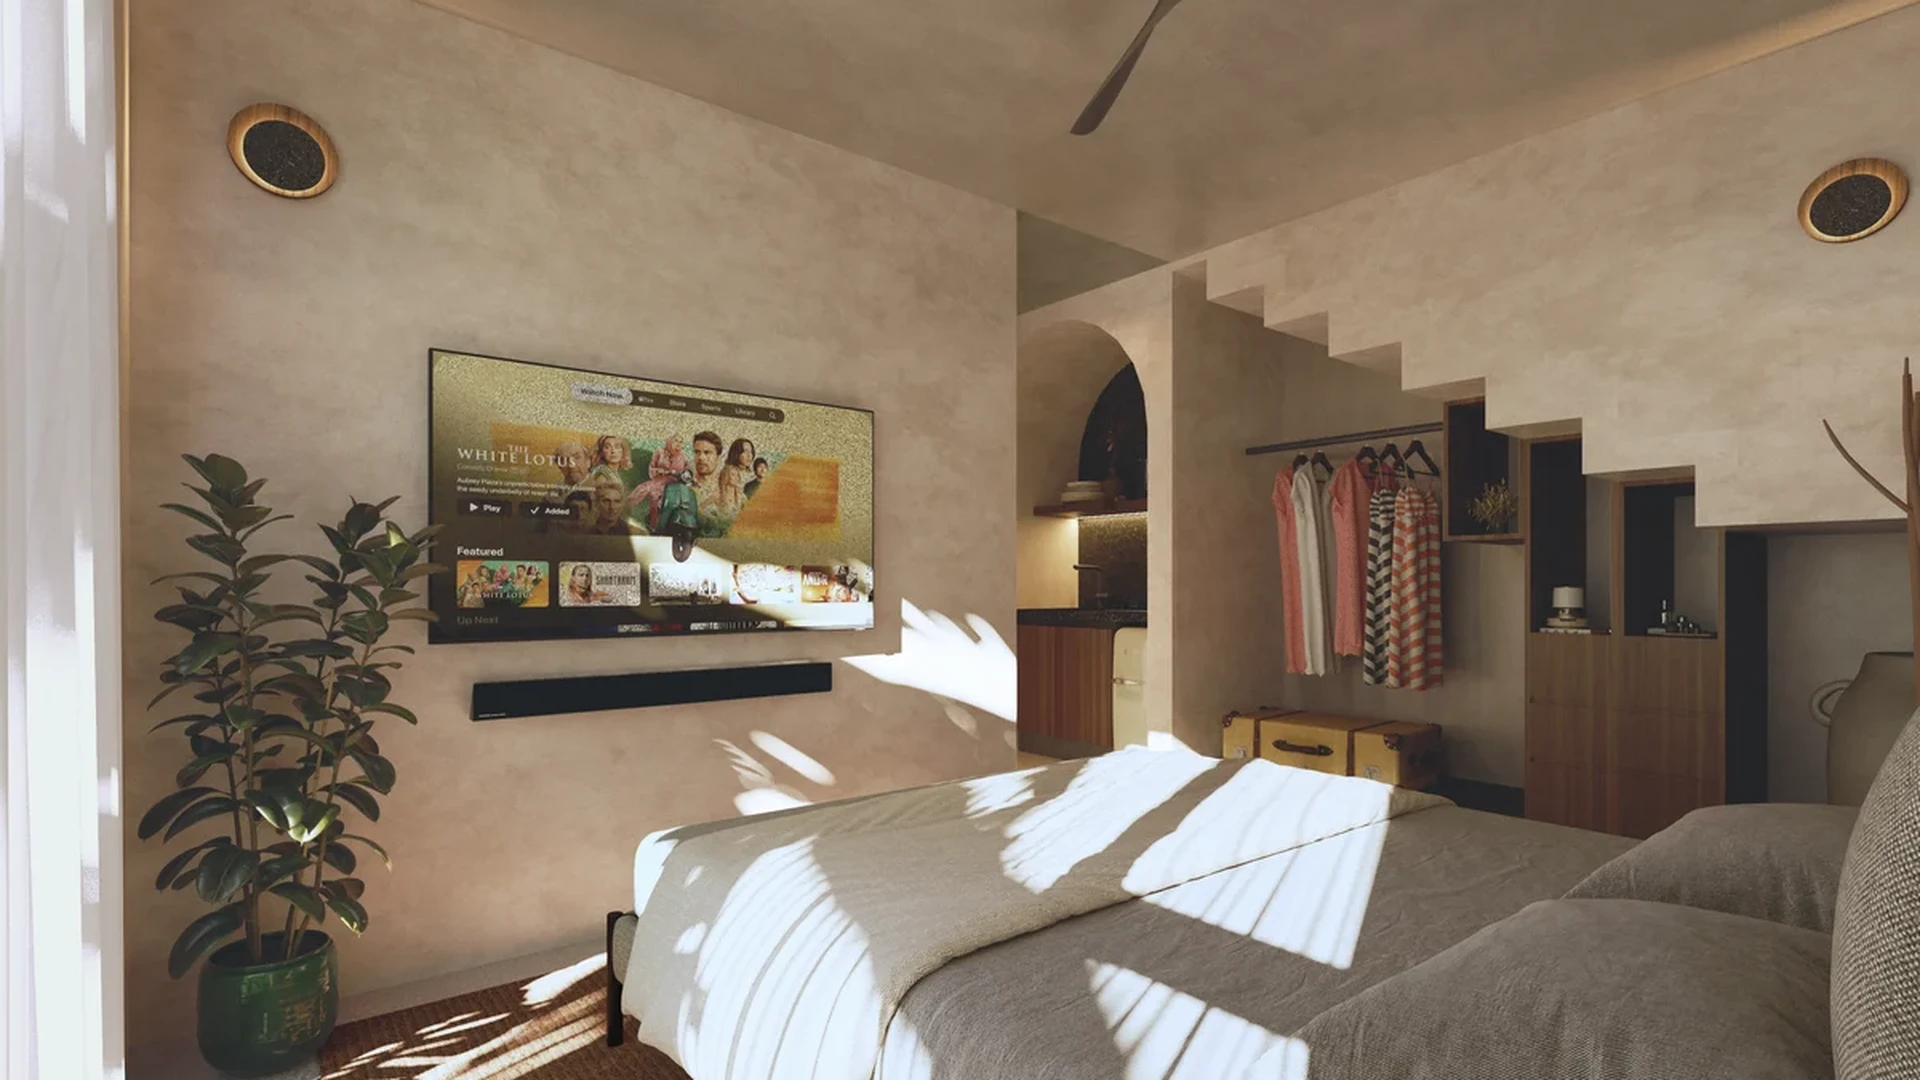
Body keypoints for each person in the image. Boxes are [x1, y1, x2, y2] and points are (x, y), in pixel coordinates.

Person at [627, 433, 690, 531]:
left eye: (681, 442)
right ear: (669, 441)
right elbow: (651, 469)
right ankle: (625, 513)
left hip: (673, 484)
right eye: (676, 440)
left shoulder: (684, 457)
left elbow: (687, 474)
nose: (678, 444)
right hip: (657, 481)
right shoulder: (659, 452)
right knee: (643, 489)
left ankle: (662, 526)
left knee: (665, 498)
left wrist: (685, 477)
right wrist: (661, 471)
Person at [718, 438, 755, 514]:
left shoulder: (744, 472)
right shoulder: (730, 470)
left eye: (751, 452)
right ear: (737, 453)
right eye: (745, 451)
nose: (749, 455)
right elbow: (723, 492)